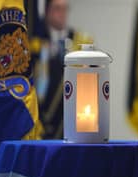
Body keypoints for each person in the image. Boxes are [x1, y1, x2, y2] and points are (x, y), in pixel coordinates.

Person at [29, 0, 92, 139]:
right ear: (46, 12)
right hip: (40, 117)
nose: (62, 14)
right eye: (57, 9)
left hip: (70, 120)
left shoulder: (81, 42)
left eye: (65, 9)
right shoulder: (33, 42)